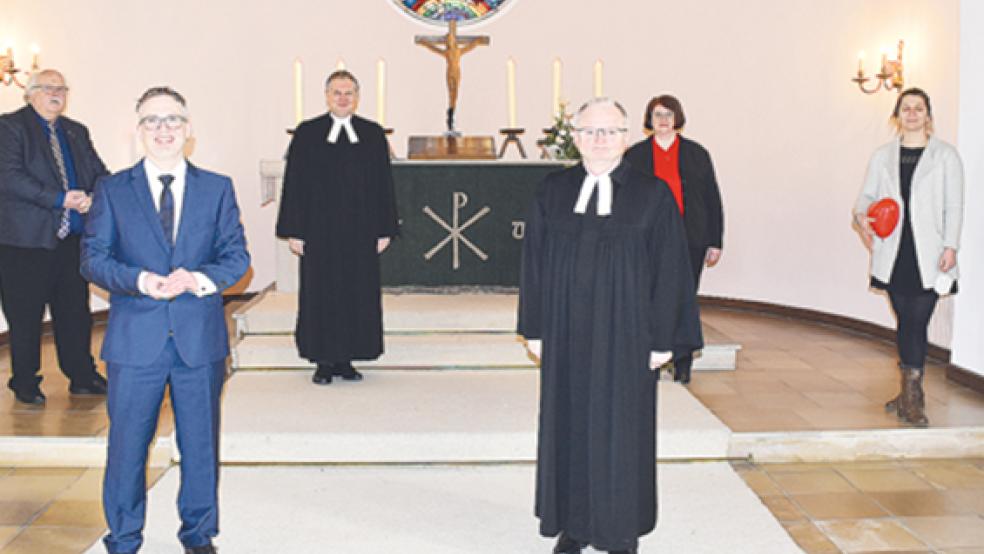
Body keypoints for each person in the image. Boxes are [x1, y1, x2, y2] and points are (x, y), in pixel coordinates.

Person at [518, 98, 702, 554]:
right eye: (590, 131)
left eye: (609, 132)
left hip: (628, 334)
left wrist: (664, 340)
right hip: (564, 332)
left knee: (622, 430)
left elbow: (671, 270)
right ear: (575, 138)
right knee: (569, 424)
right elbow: (534, 264)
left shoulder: (652, 194)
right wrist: (536, 329)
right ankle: (574, 525)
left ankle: (620, 529)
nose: (599, 140)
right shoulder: (553, 190)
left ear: (625, 138)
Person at [81, 86, 249, 554]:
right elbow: (93, 260)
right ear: (138, 132)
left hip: (199, 340)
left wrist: (197, 278)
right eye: (152, 121)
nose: (163, 129)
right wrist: (140, 280)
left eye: (172, 119)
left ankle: (198, 536)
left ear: (188, 130)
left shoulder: (217, 188)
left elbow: (237, 259)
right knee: (127, 449)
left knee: (200, 447)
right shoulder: (112, 190)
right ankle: (123, 537)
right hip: (136, 342)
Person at [276, 70, 399, 385]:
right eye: (336, 92)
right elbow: (295, 184)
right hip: (319, 232)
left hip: (360, 233)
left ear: (357, 98)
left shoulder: (372, 134)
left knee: (356, 293)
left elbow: (384, 185)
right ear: (327, 96)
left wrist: (384, 229)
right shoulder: (307, 133)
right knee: (321, 294)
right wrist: (294, 230)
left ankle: (347, 359)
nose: (343, 98)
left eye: (349, 93)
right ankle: (323, 360)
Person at [853, 87, 963, 428]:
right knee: (905, 319)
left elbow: (954, 204)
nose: (912, 113)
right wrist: (863, 221)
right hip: (895, 252)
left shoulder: (945, 156)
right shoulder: (883, 156)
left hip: (929, 254)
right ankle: (908, 392)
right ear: (897, 116)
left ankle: (913, 396)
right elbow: (864, 202)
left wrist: (950, 246)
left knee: (918, 319)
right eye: (906, 108)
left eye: (918, 108)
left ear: (928, 116)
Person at [0, 69, 108, 405]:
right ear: (30, 93)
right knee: (26, 315)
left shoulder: (76, 131)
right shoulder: (10, 127)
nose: (56, 93)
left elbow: (98, 172)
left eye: (61, 88)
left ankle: (82, 375)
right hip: (24, 243)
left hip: (70, 240)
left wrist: (98, 196)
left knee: (75, 311)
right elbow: (9, 177)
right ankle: (25, 381)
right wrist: (61, 198)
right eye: (48, 88)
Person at [625, 94, 724, 384]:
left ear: (677, 118)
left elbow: (711, 199)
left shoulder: (697, 154)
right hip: (648, 240)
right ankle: (651, 359)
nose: (663, 120)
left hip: (690, 238)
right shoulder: (635, 156)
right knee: (649, 298)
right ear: (649, 120)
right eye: (657, 115)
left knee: (683, 299)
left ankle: (682, 361)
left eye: (669, 114)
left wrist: (715, 240)